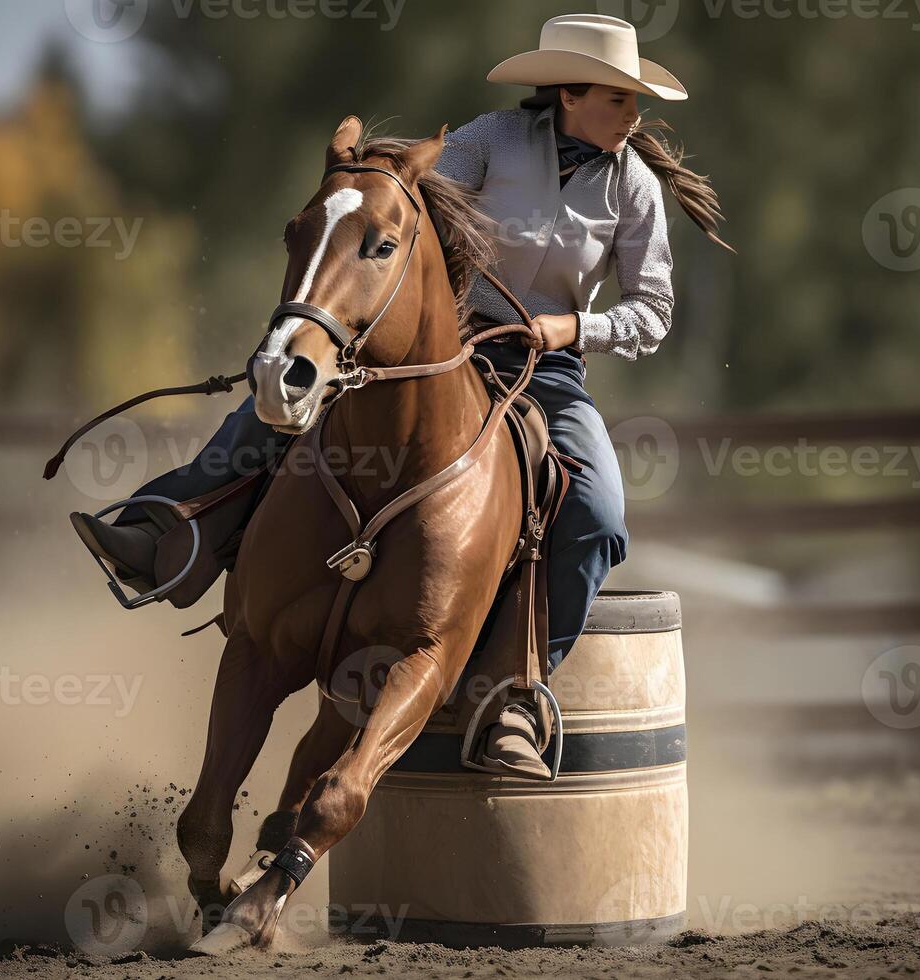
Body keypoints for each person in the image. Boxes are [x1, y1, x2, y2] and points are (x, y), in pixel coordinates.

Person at [72, 12, 729, 777]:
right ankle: (167, 534)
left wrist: (568, 328)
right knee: (290, 403)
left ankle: (518, 694)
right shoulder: (492, 139)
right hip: (441, 345)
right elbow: (405, 211)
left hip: (545, 369)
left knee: (599, 512)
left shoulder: (636, 187)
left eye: (633, 98)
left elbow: (652, 312)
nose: (634, 113)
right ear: (570, 94)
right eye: (620, 97)